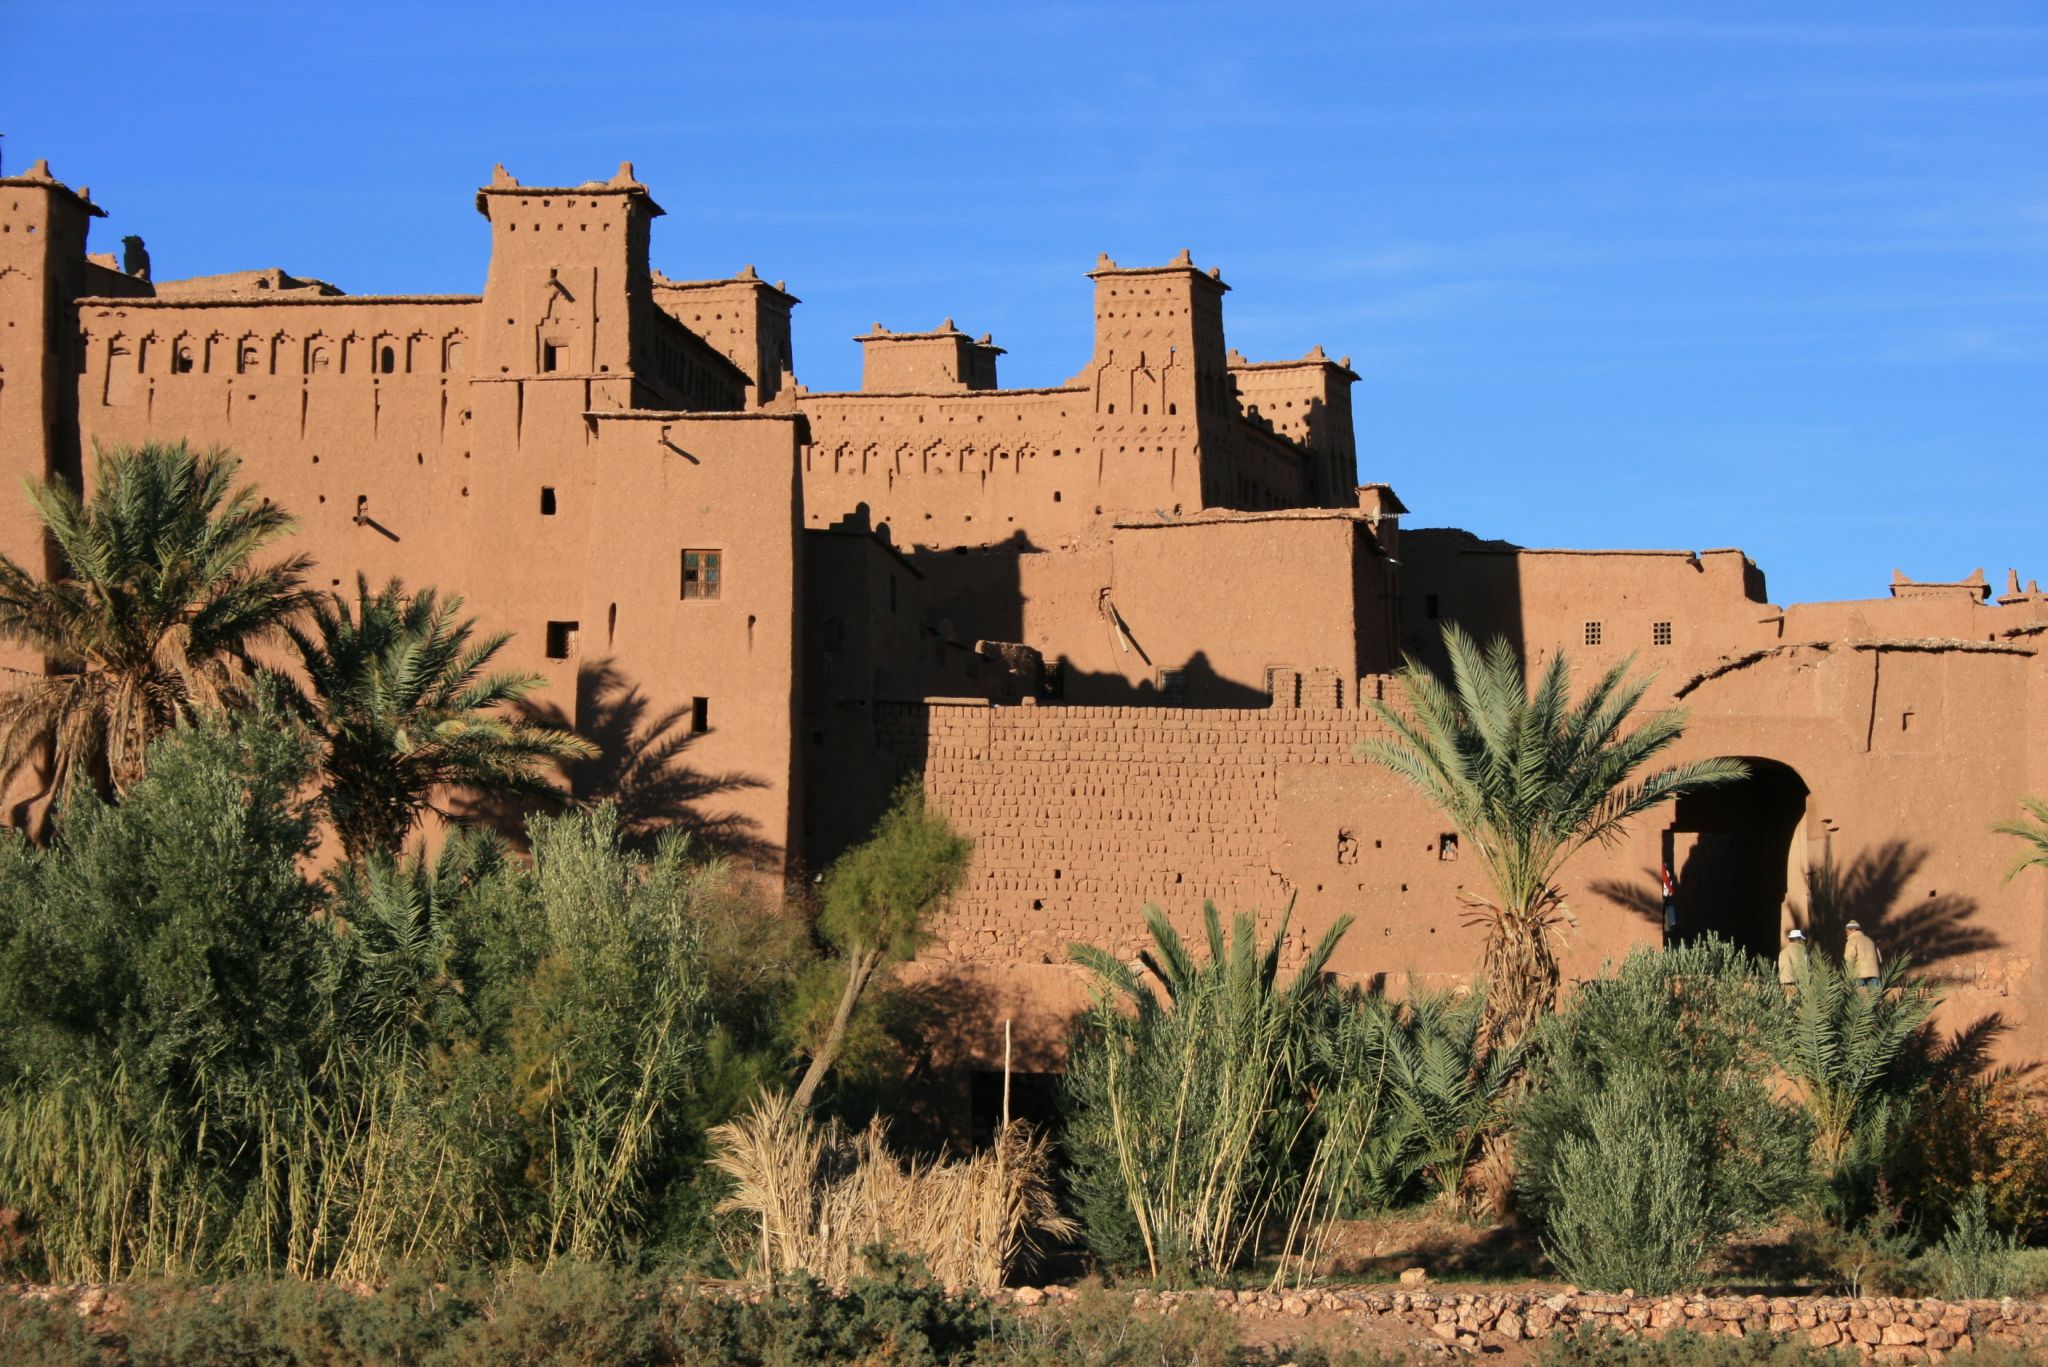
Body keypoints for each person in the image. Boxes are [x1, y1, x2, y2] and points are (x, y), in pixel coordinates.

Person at [1844, 919, 1882, 989]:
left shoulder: (1851, 941)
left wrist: (1849, 974)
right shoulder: (1870, 941)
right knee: (1874, 997)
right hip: (1874, 974)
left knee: (1860, 998)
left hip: (1859, 975)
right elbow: (1880, 959)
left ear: (1853, 929)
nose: (1846, 933)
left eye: (1847, 931)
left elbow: (1849, 958)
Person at [1777, 927, 1810, 998]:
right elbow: (1807, 969)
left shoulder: (1783, 952)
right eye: (1801, 939)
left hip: (1783, 985)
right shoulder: (1802, 950)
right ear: (1797, 939)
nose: (1803, 941)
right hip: (1796, 986)